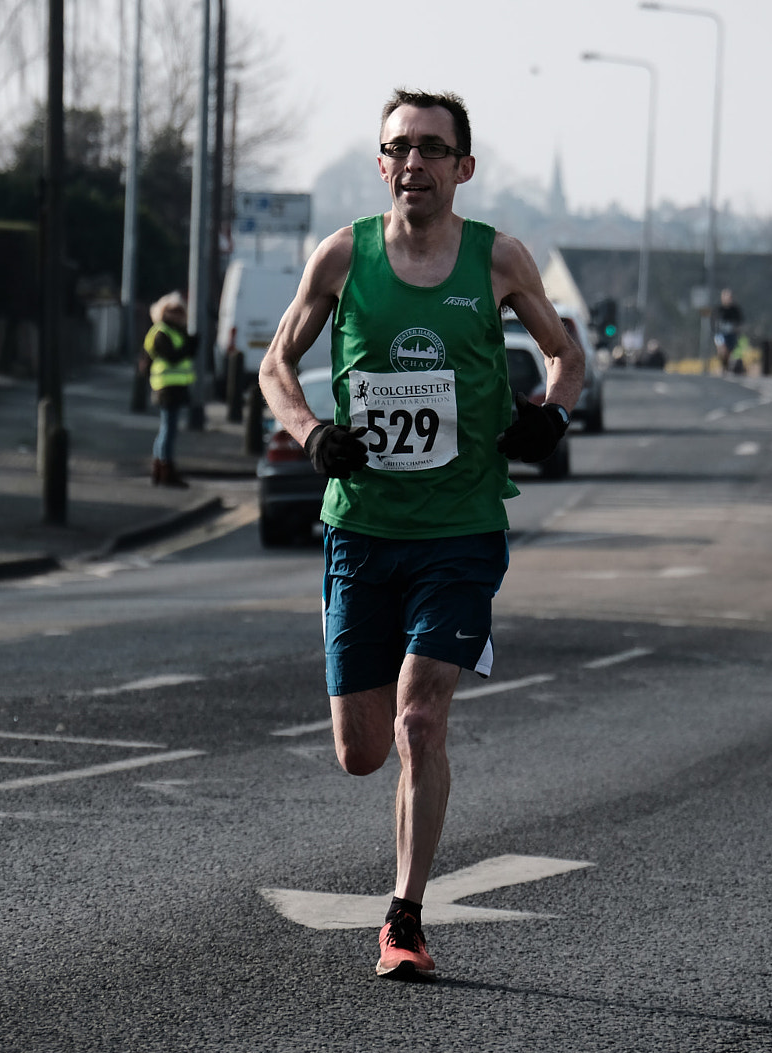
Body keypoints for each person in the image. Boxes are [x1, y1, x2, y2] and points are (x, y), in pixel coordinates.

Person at [257, 89, 584, 982]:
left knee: (418, 717)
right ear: (382, 164)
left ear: (461, 168)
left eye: (433, 149)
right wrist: (313, 433)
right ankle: (400, 885)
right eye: (399, 147)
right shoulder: (343, 256)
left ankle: (404, 916)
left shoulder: (499, 259)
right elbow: (275, 363)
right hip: (361, 529)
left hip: (463, 530)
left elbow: (567, 356)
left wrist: (548, 417)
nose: (415, 163)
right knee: (361, 751)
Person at [141, 292, 194, 488]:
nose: (176, 314)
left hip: (175, 387)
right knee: (168, 430)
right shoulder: (161, 332)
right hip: (166, 387)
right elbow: (171, 356)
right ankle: (166, 471)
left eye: (179, 311)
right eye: (172, 311)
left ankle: (159, 469)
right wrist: (189, 346)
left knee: (167, 429)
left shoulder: (176, 331)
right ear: (163, 312)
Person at [715, 288, 744, 369]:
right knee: (722, 350)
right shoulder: (718, 310)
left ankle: (726, 366)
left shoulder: (735, 310)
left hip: (731, 334)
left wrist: (737, 330)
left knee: (729, 352)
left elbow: (739, 323)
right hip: (720, 334)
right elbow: (714, 325)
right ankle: (723, 364)